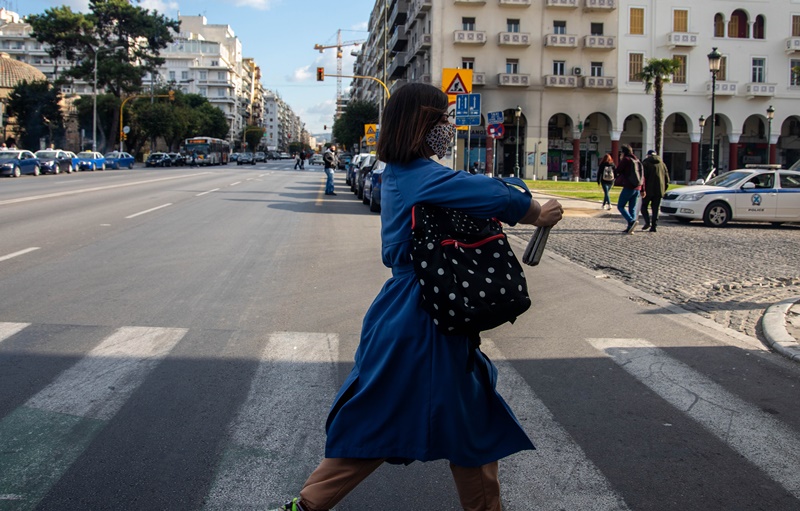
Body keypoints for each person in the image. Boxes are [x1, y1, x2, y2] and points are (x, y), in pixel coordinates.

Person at [272, 83, 564, 511]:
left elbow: (470, 189)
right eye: (442, 118)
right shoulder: (420, 177)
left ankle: (307, 505)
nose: (448, 126)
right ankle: (305, 506)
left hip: (414, 311)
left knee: (451, 419)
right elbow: (486, 194)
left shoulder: (403, 174)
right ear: (422, 123)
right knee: (403, 420)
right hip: (423, 314)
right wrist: (535, 210)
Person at [615, 144, 645, 234]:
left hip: (629, 186)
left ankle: (631, 221)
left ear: (623, 152)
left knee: (620, 206)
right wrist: (643, 189)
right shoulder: (637, 160)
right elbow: (643, 176)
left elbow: (617, 171)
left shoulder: (626, 160)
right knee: (632, 208)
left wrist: (620, 160)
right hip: (638, 188)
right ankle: (630, 228)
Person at [641, 150, 670, 232]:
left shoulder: (645, 163)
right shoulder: (662, 164)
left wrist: (642, 189)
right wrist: (663, 189)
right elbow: (667, 178)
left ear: (648, 155)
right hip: (659, 190)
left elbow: (643, 178)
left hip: (648, 190)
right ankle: (654, 226)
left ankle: (647, 222)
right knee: (655, 209)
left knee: (644, 207)